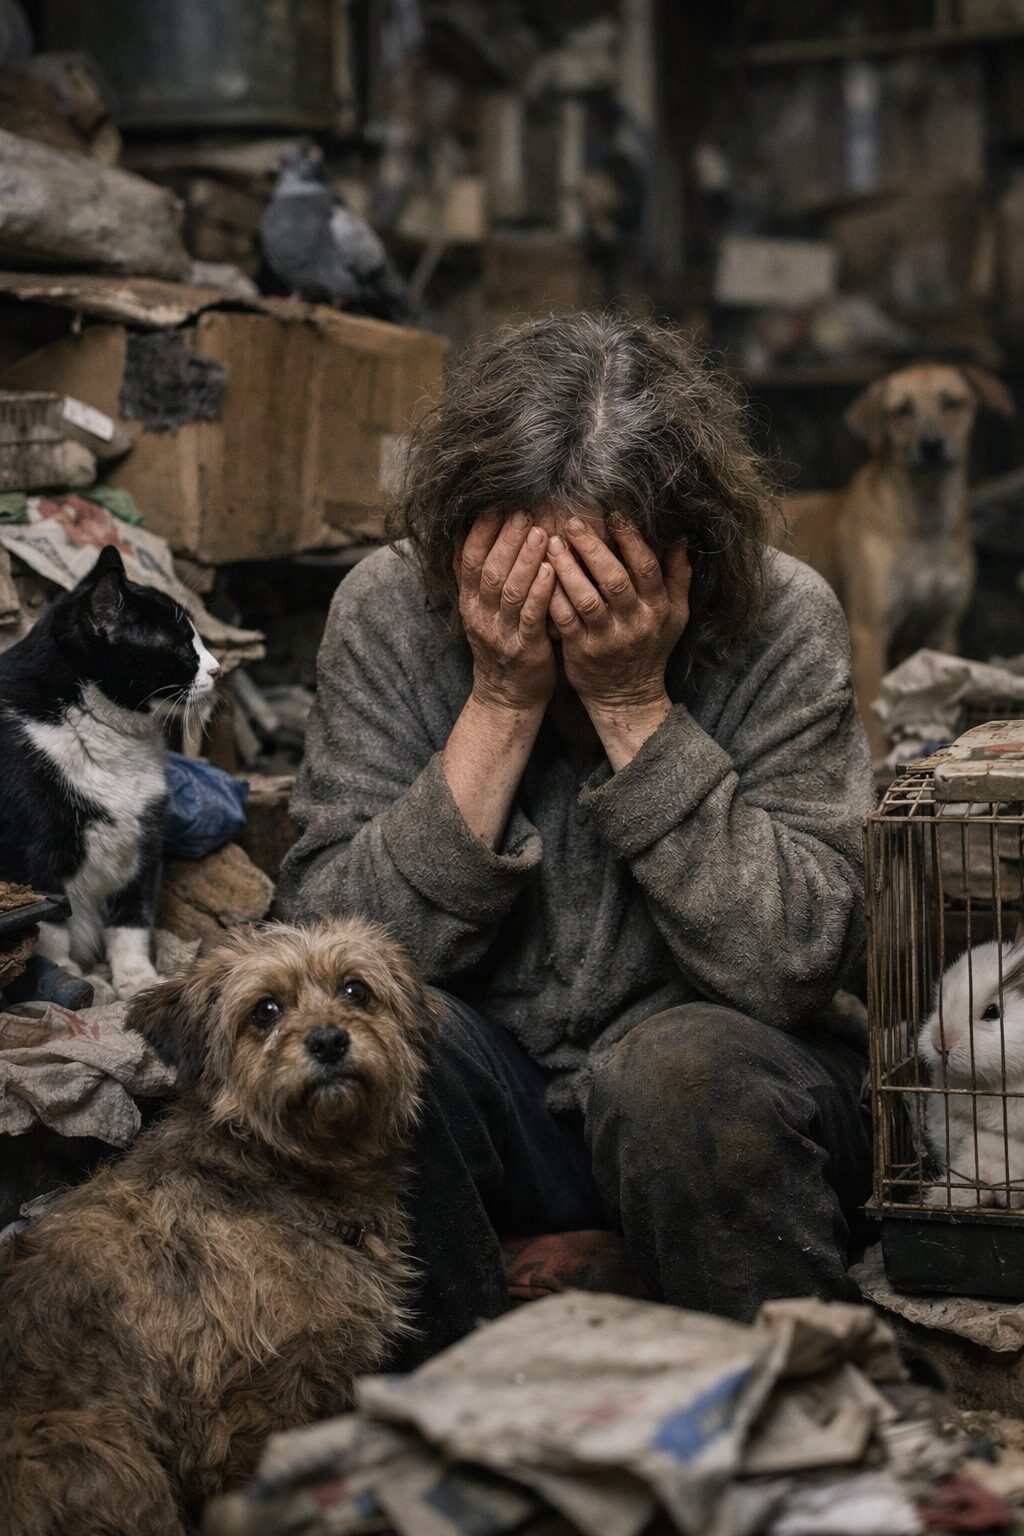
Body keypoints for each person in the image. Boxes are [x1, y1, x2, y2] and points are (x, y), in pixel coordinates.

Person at [279, 312, 876, 1361]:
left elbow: (797, 961)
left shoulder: (781, 620)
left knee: (680, 1075)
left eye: (600, 572)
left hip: (727, 1086)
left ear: (686, 554)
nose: (554, 604)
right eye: (517, 564)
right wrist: (501, 703)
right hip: (501, 1095)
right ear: (459, 534)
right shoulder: (389, 610)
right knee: (379, 1045)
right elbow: (325, 961)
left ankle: (782, 1440)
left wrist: (633, 702)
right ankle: (456, 1451)